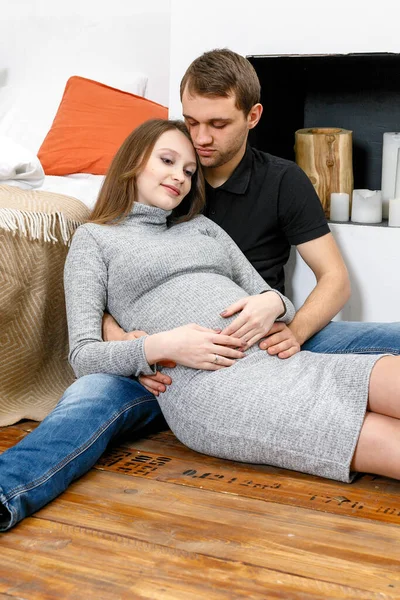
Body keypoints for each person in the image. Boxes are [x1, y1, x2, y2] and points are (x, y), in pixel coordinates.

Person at [1, 118, 400, 532]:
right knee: (380, 440)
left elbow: (276, 299)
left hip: (275, 357)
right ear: (133, 161)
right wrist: (160, 346)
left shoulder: (201, 227)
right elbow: (82, 355)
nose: (179, 176)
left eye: (190, 171)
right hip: (213, 387)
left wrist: (269, 302)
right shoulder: (96, 239)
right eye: (167, 161)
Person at [103, 48, 400, 401]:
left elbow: (335, 279)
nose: (201, 139)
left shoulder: (283, 181)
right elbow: (105, 269)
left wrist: (296, 332)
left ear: (253, 116)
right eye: (192, 122)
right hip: (171, 361)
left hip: (262, 339)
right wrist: (123, 343)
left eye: (218, 124)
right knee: (88, 399)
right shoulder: (165, 180)